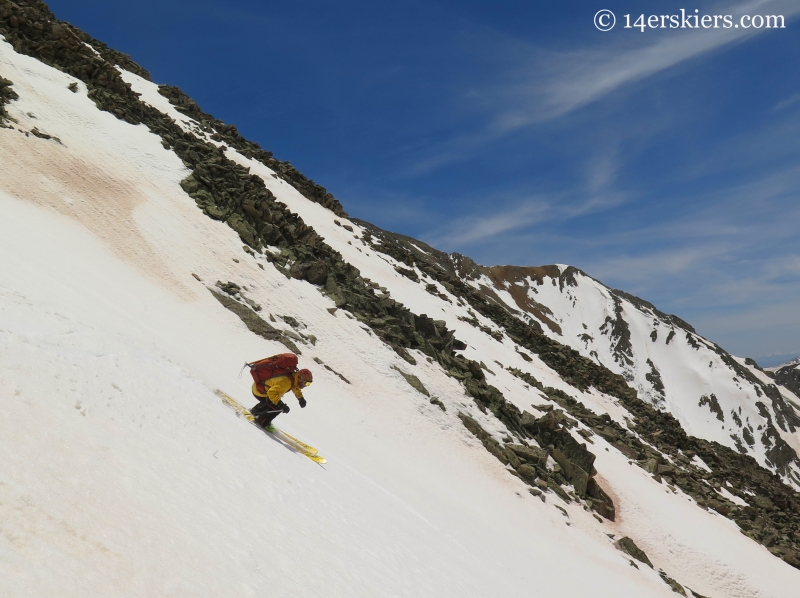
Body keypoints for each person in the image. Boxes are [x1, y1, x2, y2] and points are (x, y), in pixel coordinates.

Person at [250, 364, 313, 429]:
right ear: (300, 378)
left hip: (260, 387)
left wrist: (300, 398)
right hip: (260, 391)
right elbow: (271, 393)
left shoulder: (293, 376)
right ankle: (263, 422)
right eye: (306, 383)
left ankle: (254, 412)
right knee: (277, 407)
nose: (306, 386)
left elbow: (295, 387)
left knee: (272, 403)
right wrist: (281, 404)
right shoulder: (287, 382)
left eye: (309, 384)